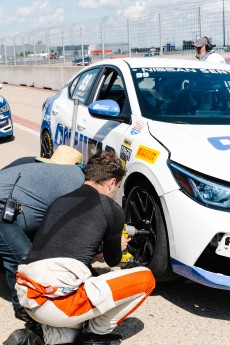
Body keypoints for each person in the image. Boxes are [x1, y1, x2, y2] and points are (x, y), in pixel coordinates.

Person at [5, 151, 155, 345]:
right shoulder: (110, 208)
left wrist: (94, 252)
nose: (115, 192)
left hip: (28, 295)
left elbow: (65, 246)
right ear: (111, 182)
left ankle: (39, 337)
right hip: (58, 299)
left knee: (80, 299)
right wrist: (117, 245)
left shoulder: (59, 201)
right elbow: (113, 260)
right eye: (117, 187)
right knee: (145, 278)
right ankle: (95, 336)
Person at [0, 145, 85, 322]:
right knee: (23, 259)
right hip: (3, 211)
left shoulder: (31, 166)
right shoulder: (72, 184)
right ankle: (24, 309)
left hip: (9, 206)